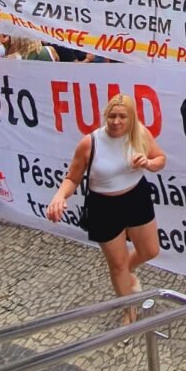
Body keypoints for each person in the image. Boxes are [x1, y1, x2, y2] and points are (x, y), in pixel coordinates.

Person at [46, 94, 167, 320]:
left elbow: (160, 158)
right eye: (112, 116)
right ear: (105, 116)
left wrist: (149, 164)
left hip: (136, 197)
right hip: (104, 206)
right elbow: (72, 178)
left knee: (150, 250)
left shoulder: (139, 133)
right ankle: (128, 312)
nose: (116, 121)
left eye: (122, 116)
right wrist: (59, 196)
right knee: (117, 265)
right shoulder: (89, 143)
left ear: (131, 118)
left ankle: (127, 273)